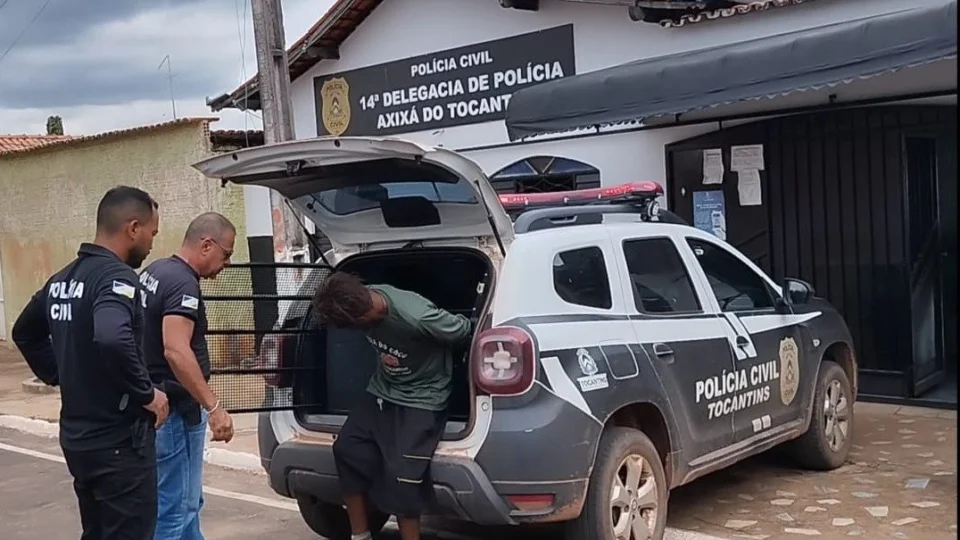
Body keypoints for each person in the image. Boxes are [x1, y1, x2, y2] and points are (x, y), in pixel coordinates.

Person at [12, 185, 169, 540]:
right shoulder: (116, 278)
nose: (152, 243)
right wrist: (147, 394)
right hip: (118, 440)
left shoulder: (63, 280)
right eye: (151, 233)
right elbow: (112, 335)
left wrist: (61, 373)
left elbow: (24, 331)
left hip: (79, 438)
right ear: (132, 228)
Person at [313, 272, 473, 540]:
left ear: (363, 316)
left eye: (354, 327)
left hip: (423, 397)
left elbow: (463, 330)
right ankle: (360, 535)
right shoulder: (360, 298)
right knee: (346, 450)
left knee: (403, 478)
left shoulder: (417, 317)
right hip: (383, 390)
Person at [139, 212, 237, 540]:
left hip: (160, 405)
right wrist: (213, 406)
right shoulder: (183, 283)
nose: (225, 264)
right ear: (206, 245)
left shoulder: (154, 272)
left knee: (186, 503)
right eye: (227, 254)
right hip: (176, 412)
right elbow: (176, 350)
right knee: (175, 510)